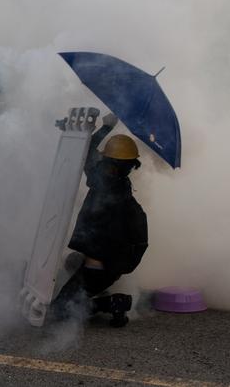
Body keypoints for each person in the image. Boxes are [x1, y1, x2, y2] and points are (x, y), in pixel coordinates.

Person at [51, 113, 148, 327]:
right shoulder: (118, 184)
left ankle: (114, 302)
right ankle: (93, 286)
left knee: (59, 311)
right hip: (108, 262)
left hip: (102, 265)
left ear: (111, 163)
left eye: (106, 159)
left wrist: (106, 126)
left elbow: (86, 153)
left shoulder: (105, 183)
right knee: (71, 261)